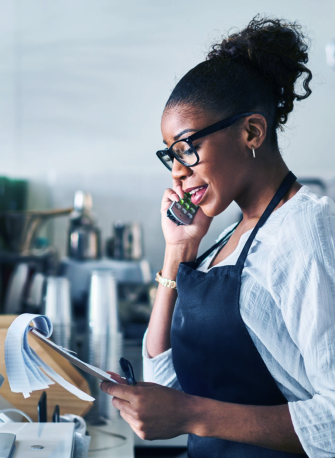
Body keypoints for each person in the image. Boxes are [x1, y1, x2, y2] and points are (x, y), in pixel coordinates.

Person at [100, 16, 335, 457]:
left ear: (251, 132)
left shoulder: (303, 230)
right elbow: (163, 382)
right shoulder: (229, 232)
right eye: (170, 156)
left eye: (187, 148)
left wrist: (191, 414)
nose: (177, 171)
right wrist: (177, 251)